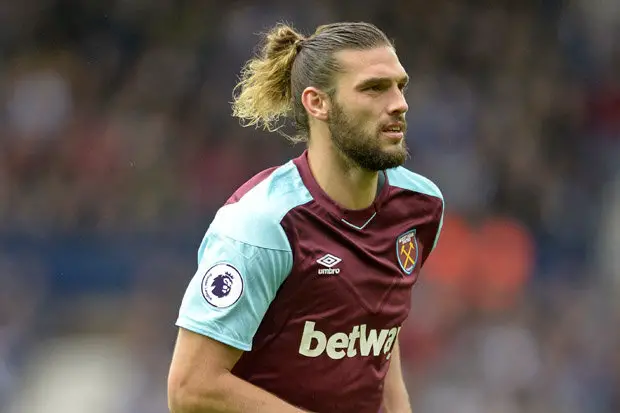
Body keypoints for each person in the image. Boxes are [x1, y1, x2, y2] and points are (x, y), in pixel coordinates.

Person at [167, 21, 444, 413]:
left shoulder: (421, 206)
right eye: (374, 88)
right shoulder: (261, 224)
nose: (399, 103)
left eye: (400, 86)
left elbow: (379, 332)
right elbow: (191, 387)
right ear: (318, 103)